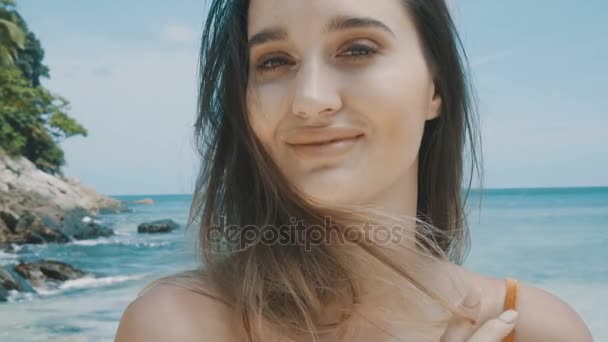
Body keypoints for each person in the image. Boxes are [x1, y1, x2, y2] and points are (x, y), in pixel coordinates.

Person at [115, 0, 594, 341]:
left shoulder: (534, 328)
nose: (310, 101)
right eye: (274, 61)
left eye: (358, 49)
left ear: (435, 87)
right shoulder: (178, 325)